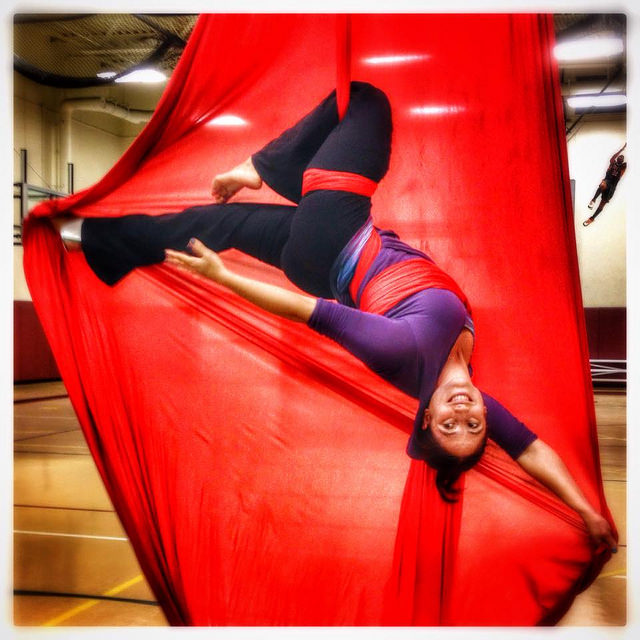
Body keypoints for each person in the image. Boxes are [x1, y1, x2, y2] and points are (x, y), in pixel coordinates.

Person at [52, 82, 616, 551]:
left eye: (449, 424)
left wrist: (226, 282)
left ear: (424, 417)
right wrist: (585, 510)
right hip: (319, 262)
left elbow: (310, 313)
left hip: (335, 237)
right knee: (213, 224)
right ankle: (89, 239)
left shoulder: (404, 353)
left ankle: (258, 166)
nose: (465, 414)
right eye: (473, 427)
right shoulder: (469, 394)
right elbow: (534, 450)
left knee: (362, 100)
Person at [583, 143, 626, 226]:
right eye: (620, 156)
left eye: (622, 158)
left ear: (623, 161)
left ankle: (592, 219)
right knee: (603, 184)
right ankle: (593, 199)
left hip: (612, 187)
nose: (621, 157)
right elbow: (614, 157)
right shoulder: (612, 163)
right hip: (607, 181)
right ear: (617, 158)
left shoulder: (623, 167)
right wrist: (622, 149)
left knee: (602, 204)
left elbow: (623, 169)